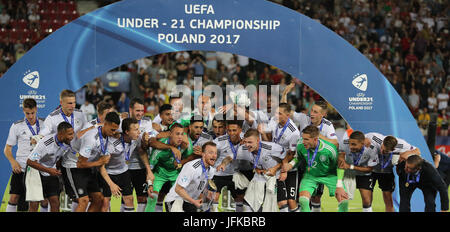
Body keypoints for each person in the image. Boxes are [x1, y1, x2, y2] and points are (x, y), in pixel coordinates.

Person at [41, 89, 89, 211]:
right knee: (52, 199)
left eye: (73, 103)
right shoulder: (52, 118)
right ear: (61, 102)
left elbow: (86, 133)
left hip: (75, 162)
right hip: (57, 163)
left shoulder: (80, 114)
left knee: (76, 198)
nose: (72, 106)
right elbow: (43, 135)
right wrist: (38, 138)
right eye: (69, 103)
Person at [61, 112, 119, 212]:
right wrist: (99, 162)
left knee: (98, 199)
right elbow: (80, 163)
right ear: (105, 124)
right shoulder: (91, 138)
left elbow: (101, 166)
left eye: (115, 130)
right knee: (84, 200)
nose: (114, 133)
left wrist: (111, 184)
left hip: (87, 167)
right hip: (73, 166)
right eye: (112, 130)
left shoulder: (108, 140)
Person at [285, 125, 349, 212]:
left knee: (344, 201)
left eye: (306, 139)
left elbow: (339, 166)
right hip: (311, 175)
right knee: (303, 200)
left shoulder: (330, 150)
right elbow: (298, 157)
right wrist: (291, 164)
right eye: (303, 138)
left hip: (330, 175)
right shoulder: (300, 144)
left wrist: (340, 186)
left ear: (315, 139)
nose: (303, 142)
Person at [222, 128, 286, 212]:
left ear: (258, 140)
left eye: (250, 142)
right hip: (259, 178)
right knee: (247, 205)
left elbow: (286, 157)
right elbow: (230, 157)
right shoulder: (243, 149)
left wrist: (279, 169)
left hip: (275, 177)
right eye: (245, 142)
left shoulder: (271, 147)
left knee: (281, 204)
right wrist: (223, 164)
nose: (247, 145)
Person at [4, 98, 46, 212]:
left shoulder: (45, 124)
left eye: (32, 113)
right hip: (21, 168)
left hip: (39, 168)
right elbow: (7, 149)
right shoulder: (17, 126)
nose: (30, 116)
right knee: (13, 198)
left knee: (44, 200)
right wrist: (13, 162)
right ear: (23, 111)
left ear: (36, 109)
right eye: (27, 113)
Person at [98, 118, 147, 212]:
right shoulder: (112, 144)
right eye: (136, 129)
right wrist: (111, 184)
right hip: (108, 173)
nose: (139, 132)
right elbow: (101, 166)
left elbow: (142, 151)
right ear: (127, 131)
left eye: (138, 129)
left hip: (124, 171)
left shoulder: (135, 139)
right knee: (105, 202)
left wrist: (145, 141)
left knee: (129, 199)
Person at [260, 103, 301, 212]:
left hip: (290, 168)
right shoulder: (274, 120)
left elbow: (291, 153)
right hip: (276, 167)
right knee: (281, 201)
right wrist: (263, 133)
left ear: (287, 115)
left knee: (291, 201)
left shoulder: (294, 132)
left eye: (279, 113)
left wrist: (284, 169)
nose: (276, 115)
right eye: (276, 112)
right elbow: (270, 142)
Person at [365, 132, 421, 212]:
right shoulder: (374, 138)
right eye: (382, 149)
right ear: (383, 142)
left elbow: (417, 151)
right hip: (371, 169)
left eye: (386, 152)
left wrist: (404, 154)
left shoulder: (400, 145)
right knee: (367, 198)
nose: (382, 152)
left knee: (388, 200)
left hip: (387, 172)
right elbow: (359, 139)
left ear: (393, 149)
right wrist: (364, 141)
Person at [26, 122, 75, 212]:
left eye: (72, 133)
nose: (72, 136)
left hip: (51, 172)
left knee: (55, 202)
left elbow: (59, 157)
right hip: (35, 172)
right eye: (69, 134)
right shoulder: (45, 143)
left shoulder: (67, 142)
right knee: (34, 204)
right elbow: (30, 161)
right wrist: (48, 170)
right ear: (60, 134)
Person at [145, 123, 193, 212]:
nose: (180, 137)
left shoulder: (186, 144)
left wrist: (180, 164)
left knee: (178, 200)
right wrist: (150, 184)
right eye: (177, 134)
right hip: (160, 174)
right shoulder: (159, 148)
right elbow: (150, 169)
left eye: (182, 134)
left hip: (176, 173)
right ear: (170, 134)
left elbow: (190, 159)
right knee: (153, 196)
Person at [211, 119, 252, 212]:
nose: (231, 133)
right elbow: (210, 152)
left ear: (240, 130)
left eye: (234, 130)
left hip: (235, 173)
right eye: (229, 130)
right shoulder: (219, 141)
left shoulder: (245, 139)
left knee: (240, 197)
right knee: (214, 197)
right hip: (220, 172)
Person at [165, 142, 217, 212]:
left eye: (215, 153)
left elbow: (201, 189)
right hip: (175, 200)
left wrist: (208, 197)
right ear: (203, 154)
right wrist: (194, 201)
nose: (214, 155)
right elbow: (178, 189)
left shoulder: (211, 171)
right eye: (211, 152)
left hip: (190, 202)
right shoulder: (191, 167)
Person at [126, 97, 156, 212]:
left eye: (142, 111)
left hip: (141, 166)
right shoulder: (123, 122)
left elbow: (145, 145)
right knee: (127, 199)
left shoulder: (147, 122)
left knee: (143, 198)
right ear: (130, 110)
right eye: (137, 110)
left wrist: (145, 140)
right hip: (126, 168)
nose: (140, 113)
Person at [339, 131, 379, 212]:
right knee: (343, 198)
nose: (350, 147)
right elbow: (340, 153)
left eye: (354, 144)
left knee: (366, 200)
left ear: (362, 143)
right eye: (350, 144)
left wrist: (351, 166)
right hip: (348, 173)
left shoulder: (371, 149)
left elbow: (369, 169)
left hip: (364, 173)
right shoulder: (344, 143)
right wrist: (341, 160)